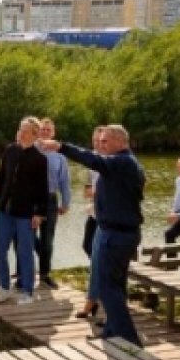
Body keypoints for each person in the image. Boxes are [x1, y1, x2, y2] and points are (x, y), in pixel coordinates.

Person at [41, 124, 145, 346]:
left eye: (105, 141)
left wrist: (61, 147)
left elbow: (93, 160)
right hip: (118, 232)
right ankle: (111, 332)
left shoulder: (123, 162)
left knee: (108, 288)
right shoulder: (124, 163)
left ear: (120, 142)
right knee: (114, 286)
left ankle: (129, 342)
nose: (101, 145)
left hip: (117, 235)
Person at [0, 117, 50, 304]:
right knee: (0, 251)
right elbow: (1, 177)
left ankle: (27, 291)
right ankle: (4, 288)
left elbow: (42, 189)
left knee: (25, 252)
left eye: (25, 130)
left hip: (25, 214)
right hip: (4, 211)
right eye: (20, 129)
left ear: (34, 134)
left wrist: (39, 214)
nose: (21, 133)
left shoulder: (40, 159)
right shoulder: (10, 151)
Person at [34, 118, 71, 290]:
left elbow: (64, 181)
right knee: (26, 236)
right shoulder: (30, 150)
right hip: (31, 200)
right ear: (37, 131)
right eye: (42, 129)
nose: (45, 132)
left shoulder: (60, 157)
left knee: (48, 240)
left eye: (49, 130)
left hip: (50, 199)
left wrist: (66, 202)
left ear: (53, 133)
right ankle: (22, 272)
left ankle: (44, 274)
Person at [76, 126, 105, 319]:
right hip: (94, 213)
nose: (97, 145)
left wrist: (98, 192)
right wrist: (95, 193)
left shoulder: (113, 161)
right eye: (94, 141)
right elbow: (87, 192)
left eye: (101, 141)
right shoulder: (92, 163)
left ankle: (94, 301)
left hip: (108, 218)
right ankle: (96, 295)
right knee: (87, 246)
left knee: (99, 258)